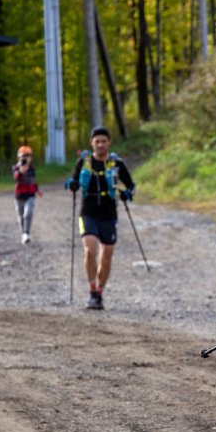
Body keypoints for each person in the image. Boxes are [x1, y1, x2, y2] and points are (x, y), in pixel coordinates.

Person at [64, 126, 136, 310]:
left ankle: (100, 292)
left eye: (104, 141)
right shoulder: (84, 162)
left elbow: (131, 186)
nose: (100, 145)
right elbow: (73, 183)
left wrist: (127, 193)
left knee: (107, 256)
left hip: (109, 215)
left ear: (109, 142)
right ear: (92, 143)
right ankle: (92, 290)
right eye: (97, 141)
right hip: (87, 213)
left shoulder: (117, 164)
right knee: (90, 250)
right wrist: (71, 184)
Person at [13, 145, 42, 244]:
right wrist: (21, 171)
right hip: (19, 196)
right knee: (21, 216)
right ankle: (23, 234)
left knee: (28, 213)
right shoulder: (16, 167)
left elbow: (33, 181)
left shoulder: (32, 169)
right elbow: (16, 178)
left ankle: (27, 233)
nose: (25, 158)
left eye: (28, 156)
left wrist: (37, 189)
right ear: (19, 157)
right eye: (23, 156)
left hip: (30, 195)